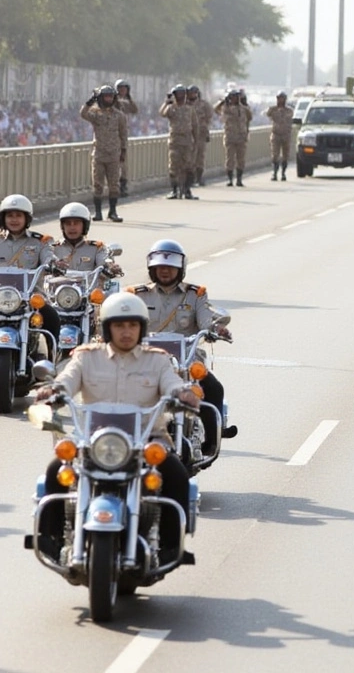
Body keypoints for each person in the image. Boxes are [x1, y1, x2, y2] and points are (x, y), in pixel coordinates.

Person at [34, 292, 199, 567]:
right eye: (119, 326)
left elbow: (172, 383)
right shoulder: (87, 357)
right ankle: (50, 538)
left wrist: (183, 394)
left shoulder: (157, 360)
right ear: (107, 328)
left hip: (146, 439)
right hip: (94, 441)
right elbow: (67, 379)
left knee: (176, 474)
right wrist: (53, 389)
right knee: (55, 469)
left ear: (141, 328)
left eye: (132, 325)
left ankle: (172, 546)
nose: (126, 332)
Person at [126, 240, 238, 460]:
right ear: (152, 269)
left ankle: (212, 441)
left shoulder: (195, 295)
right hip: (146, 360)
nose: (165, 271)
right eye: (160, 267)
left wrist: (216, 329)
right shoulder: (136, 294)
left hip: (186, 358)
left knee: (213, 389)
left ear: (181, 269)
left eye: (170, 267)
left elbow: (206, 321)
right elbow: (121, 318)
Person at [0, 194, 62, 343]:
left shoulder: (41, 241)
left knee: (52, 317)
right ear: (3, 218)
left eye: (18, 215)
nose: (14, 220)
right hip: (1, 297)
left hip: (30, 298)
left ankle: (52, 358)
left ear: (27, 218)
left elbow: (49, 255)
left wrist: (54, 264)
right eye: (10, 215)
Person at [79, 85, 127, 222]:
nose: (108, 99)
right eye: (106, 96)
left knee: (114, 185)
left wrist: (123, 151)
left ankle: (113, 211)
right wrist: (90, 101)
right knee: (98, 184)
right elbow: (83, 113)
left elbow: (124, 135)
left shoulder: (119, 115)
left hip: (113, 155)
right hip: (99, 154)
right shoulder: (95, 113)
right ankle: (98, 212)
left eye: (111, 96)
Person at [50, 202, 122, 280]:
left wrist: (111, 268)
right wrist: (53, 266)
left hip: (88, 290)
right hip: (59, 290)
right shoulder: (53, 248)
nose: (72, 227)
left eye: (76, 223)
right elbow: (44, 263)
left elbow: (104, 262)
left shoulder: (98, 247)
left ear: (85, 226)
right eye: (68, 223)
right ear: (62, 226)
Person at [159, 84, 198, 200]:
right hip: (175, 142)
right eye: (178, 94)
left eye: (182, 94)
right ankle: (174, 190)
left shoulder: (189, 109)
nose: (180, 96)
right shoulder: (171, 108)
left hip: (187, 142)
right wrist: (167, 102)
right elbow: (162, 113)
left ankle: (187, 190)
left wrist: (195, 141)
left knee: (189, 167)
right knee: (173, 167)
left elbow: (195, 126)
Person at [216, 89, 253, 187]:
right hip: (230, 137)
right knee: (230, 159)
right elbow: (215, 110)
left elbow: (250, 118)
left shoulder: (244, 109)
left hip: (241, 137)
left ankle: (239, 179)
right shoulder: (226, 108)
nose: (235, 99)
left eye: (236, 97)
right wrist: (223, 101)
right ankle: (230, 179)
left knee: (241, 159)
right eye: (232, 97)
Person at [114, 79, 138, 197]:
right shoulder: (113, 101)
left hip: (122, 135)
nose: (123, 91)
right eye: (121, 89)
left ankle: (122, 186)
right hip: (111, 135)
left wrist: (129, 97)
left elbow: (135, 110)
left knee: (123, 163)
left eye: (125, 89)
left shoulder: (125, 103)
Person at [187, 86, 213, 187]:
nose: (192, 94)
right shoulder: (185, 104)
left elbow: (209, 115)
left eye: (194, 93)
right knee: (190, 157)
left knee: (200, 156)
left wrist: (204, 126)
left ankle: (199, 177)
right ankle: (190, 178)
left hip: (201, 133)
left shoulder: (203, 104)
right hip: (188, 134)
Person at [266, 91, 294, 181]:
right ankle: (274, 173)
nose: (281, 100)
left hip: (286, 135)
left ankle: (283, 173)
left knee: (285, 155)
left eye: (282, 98)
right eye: (279, 98)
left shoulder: (289, 111)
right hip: (276, 135)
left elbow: (290, 119)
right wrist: (275, 108)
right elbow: (267, 114)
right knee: (275, 155)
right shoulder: (273, 110)